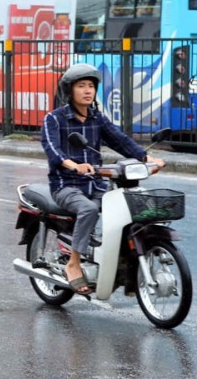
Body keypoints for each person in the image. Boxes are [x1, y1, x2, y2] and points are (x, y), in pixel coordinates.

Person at [41, 63, 165, 295]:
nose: (88, 91)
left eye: (91, 86)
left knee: (130, 208)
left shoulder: (97, 118)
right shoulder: (54, 119)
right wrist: (73, 165)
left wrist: (147, 158)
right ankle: (73, 263)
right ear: (69, 90)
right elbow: (52, 149)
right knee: (88, 210)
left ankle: (125, 263)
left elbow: (120, 140)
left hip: (96, 184)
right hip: (66, 185)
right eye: (81, 86)